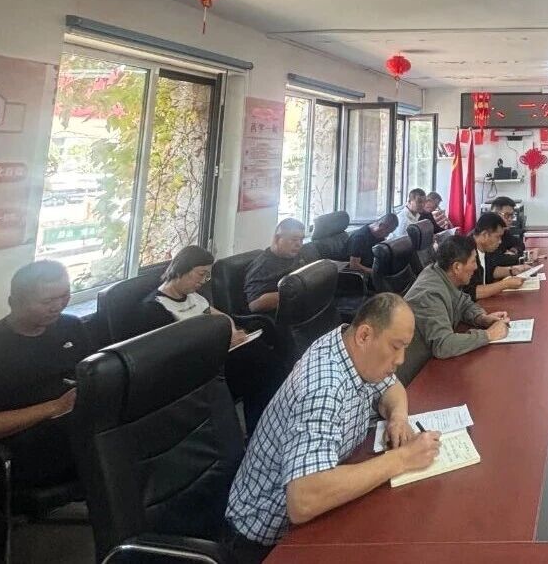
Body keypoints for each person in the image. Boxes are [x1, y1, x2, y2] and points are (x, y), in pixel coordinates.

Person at [222, 294, 441, 563]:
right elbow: (303, 500)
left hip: (316, 516)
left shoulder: (351, 349)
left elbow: (392, 386)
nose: (400, 359)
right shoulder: (324, 386)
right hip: (265, 542)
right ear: (364, 335)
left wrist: (398, 417)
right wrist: (403, 459)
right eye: (396, 347)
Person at [0, 261, 92, 491]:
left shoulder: (71, 326)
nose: (57, 307)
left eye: (64, 296)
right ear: (14, 302)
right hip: (26, 443)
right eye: (47, 301)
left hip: (78, 423)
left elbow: (93, 372)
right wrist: (55, 407)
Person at [139, 246, 290, 435]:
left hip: (220, 354)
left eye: (207, 276)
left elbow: (223, 317)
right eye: (200, 274)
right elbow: (177, 351)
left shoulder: (193, 296)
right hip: (199, 366)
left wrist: (232, 332)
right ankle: (263, 431)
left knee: (266, 361)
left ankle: (268, 427)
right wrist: (222, 342)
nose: (203, 281)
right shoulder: (155, 308)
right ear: (181, 269)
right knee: (263, 369)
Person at [403, 235, 511, 365]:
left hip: (432, 362)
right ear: (457, 267)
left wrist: (481, 318)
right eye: (473, 261)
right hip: (418, 370)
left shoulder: (442, 274)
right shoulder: (429, 295)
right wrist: (489, 335)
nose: (476, 267)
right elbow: (443, 345)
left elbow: (463, 303)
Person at [465, 212, 530, 300]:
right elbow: (471, 292)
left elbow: (490, 271)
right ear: (485, 235)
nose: (500, 241)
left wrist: (512, 270)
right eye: (498, 237)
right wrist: (505, 284)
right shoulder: (467, 252)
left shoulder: (485, 248)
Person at [245, 218, 305, 313]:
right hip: (280, 316)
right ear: (277, 239)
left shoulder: (296, 255)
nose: (299, 244)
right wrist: (294, 292)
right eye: (294, 239)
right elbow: (254, 304)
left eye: (301, 240)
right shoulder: (262, 266)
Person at [488, 196, 531, 266]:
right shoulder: (488, 234)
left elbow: (520, 244)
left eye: (512, 215)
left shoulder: (504, 232)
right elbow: (498, 261)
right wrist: (511, 257)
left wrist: (513, 251)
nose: (510, 219)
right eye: (507, 215)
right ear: (495, 214)